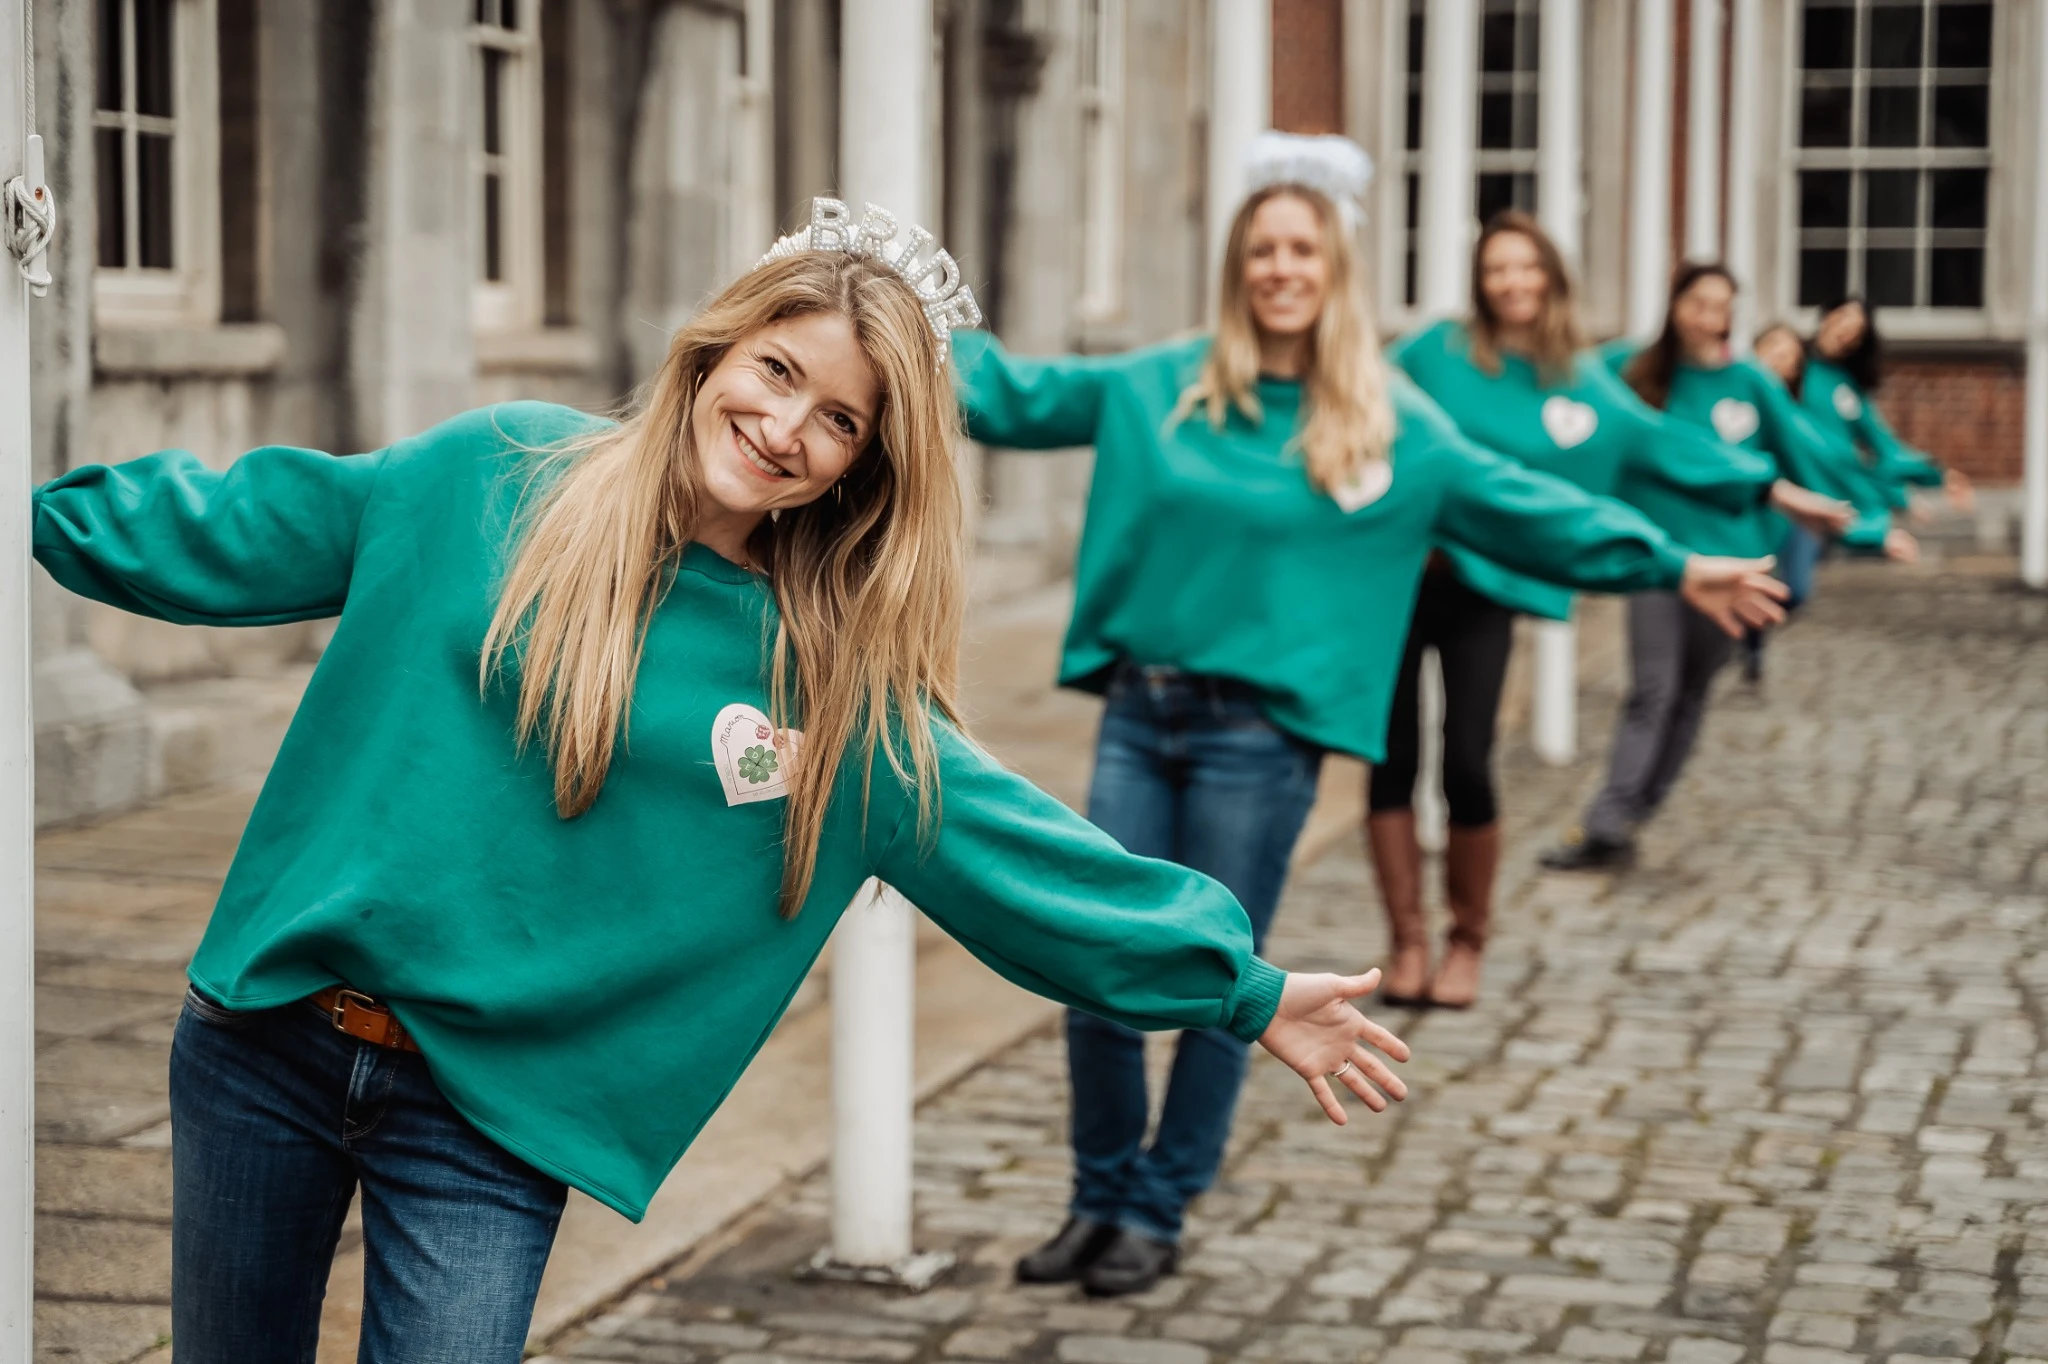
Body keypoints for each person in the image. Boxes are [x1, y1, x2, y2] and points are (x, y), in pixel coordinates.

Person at [32, 197, 1416, 1362]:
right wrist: (33, 515)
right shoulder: (485, 477)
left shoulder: (835, 692)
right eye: (776, 371)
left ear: (860, 471)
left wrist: (1239, 988)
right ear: (718, 347)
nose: (786, 428)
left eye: (842, 422)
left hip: (487, 1121)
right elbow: (217, 529)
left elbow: (1017, 859)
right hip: (261, 1046)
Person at [953, 138, 1789, 1296]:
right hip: (1142, 716)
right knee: (1094, 963)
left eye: (1299, 248)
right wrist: (873, 304)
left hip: (1262, 742)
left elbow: (1527, 508)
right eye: (1260, 249)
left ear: (1333, 264)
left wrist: (1669, 561)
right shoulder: (1161, 383)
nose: (1278, 268)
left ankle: (1157, 1204)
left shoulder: (1388, 423)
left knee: (1209, 972)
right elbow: (1003, 394)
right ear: (1235, 266)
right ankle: (1095, 1193)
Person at [1380, 213, 1847, 1007]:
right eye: (1497, 269)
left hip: (1489, 586)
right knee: (1388, 761)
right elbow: (1352, 398)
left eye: (1527, 268)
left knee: (1465, 761)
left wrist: (1772, 489)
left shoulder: (1581, 380)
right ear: (1478, 280)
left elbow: (1665, 446)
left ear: (1552, 278)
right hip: (1391, 579)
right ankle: (1406, 942)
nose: (1512, 283)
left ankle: (1467, 938)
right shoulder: (1435, 353)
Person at [1541, 264, 1890, 872]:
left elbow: (1807, 454)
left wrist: (1866, 521)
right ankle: (1604, 820)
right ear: (1676, 306)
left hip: (1734, 565)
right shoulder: (1633, 367)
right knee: (1652, 687)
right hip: (1657, 559)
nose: (1708, 317)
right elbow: (1566, 395)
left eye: (1721, 306)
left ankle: (1635, 811)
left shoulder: (1752, 382)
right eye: (1698, 303)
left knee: (1691, 692)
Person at [1804, 296, 1974, 520]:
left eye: (1856, 332)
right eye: (1842, 319)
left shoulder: (1845, 388)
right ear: (1826, 315)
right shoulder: (1795, 368)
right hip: (1793, 493)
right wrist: (1897, 495)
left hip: (1829, 499)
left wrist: (1937, 475)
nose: (1845, 332)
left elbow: (1883, 445)